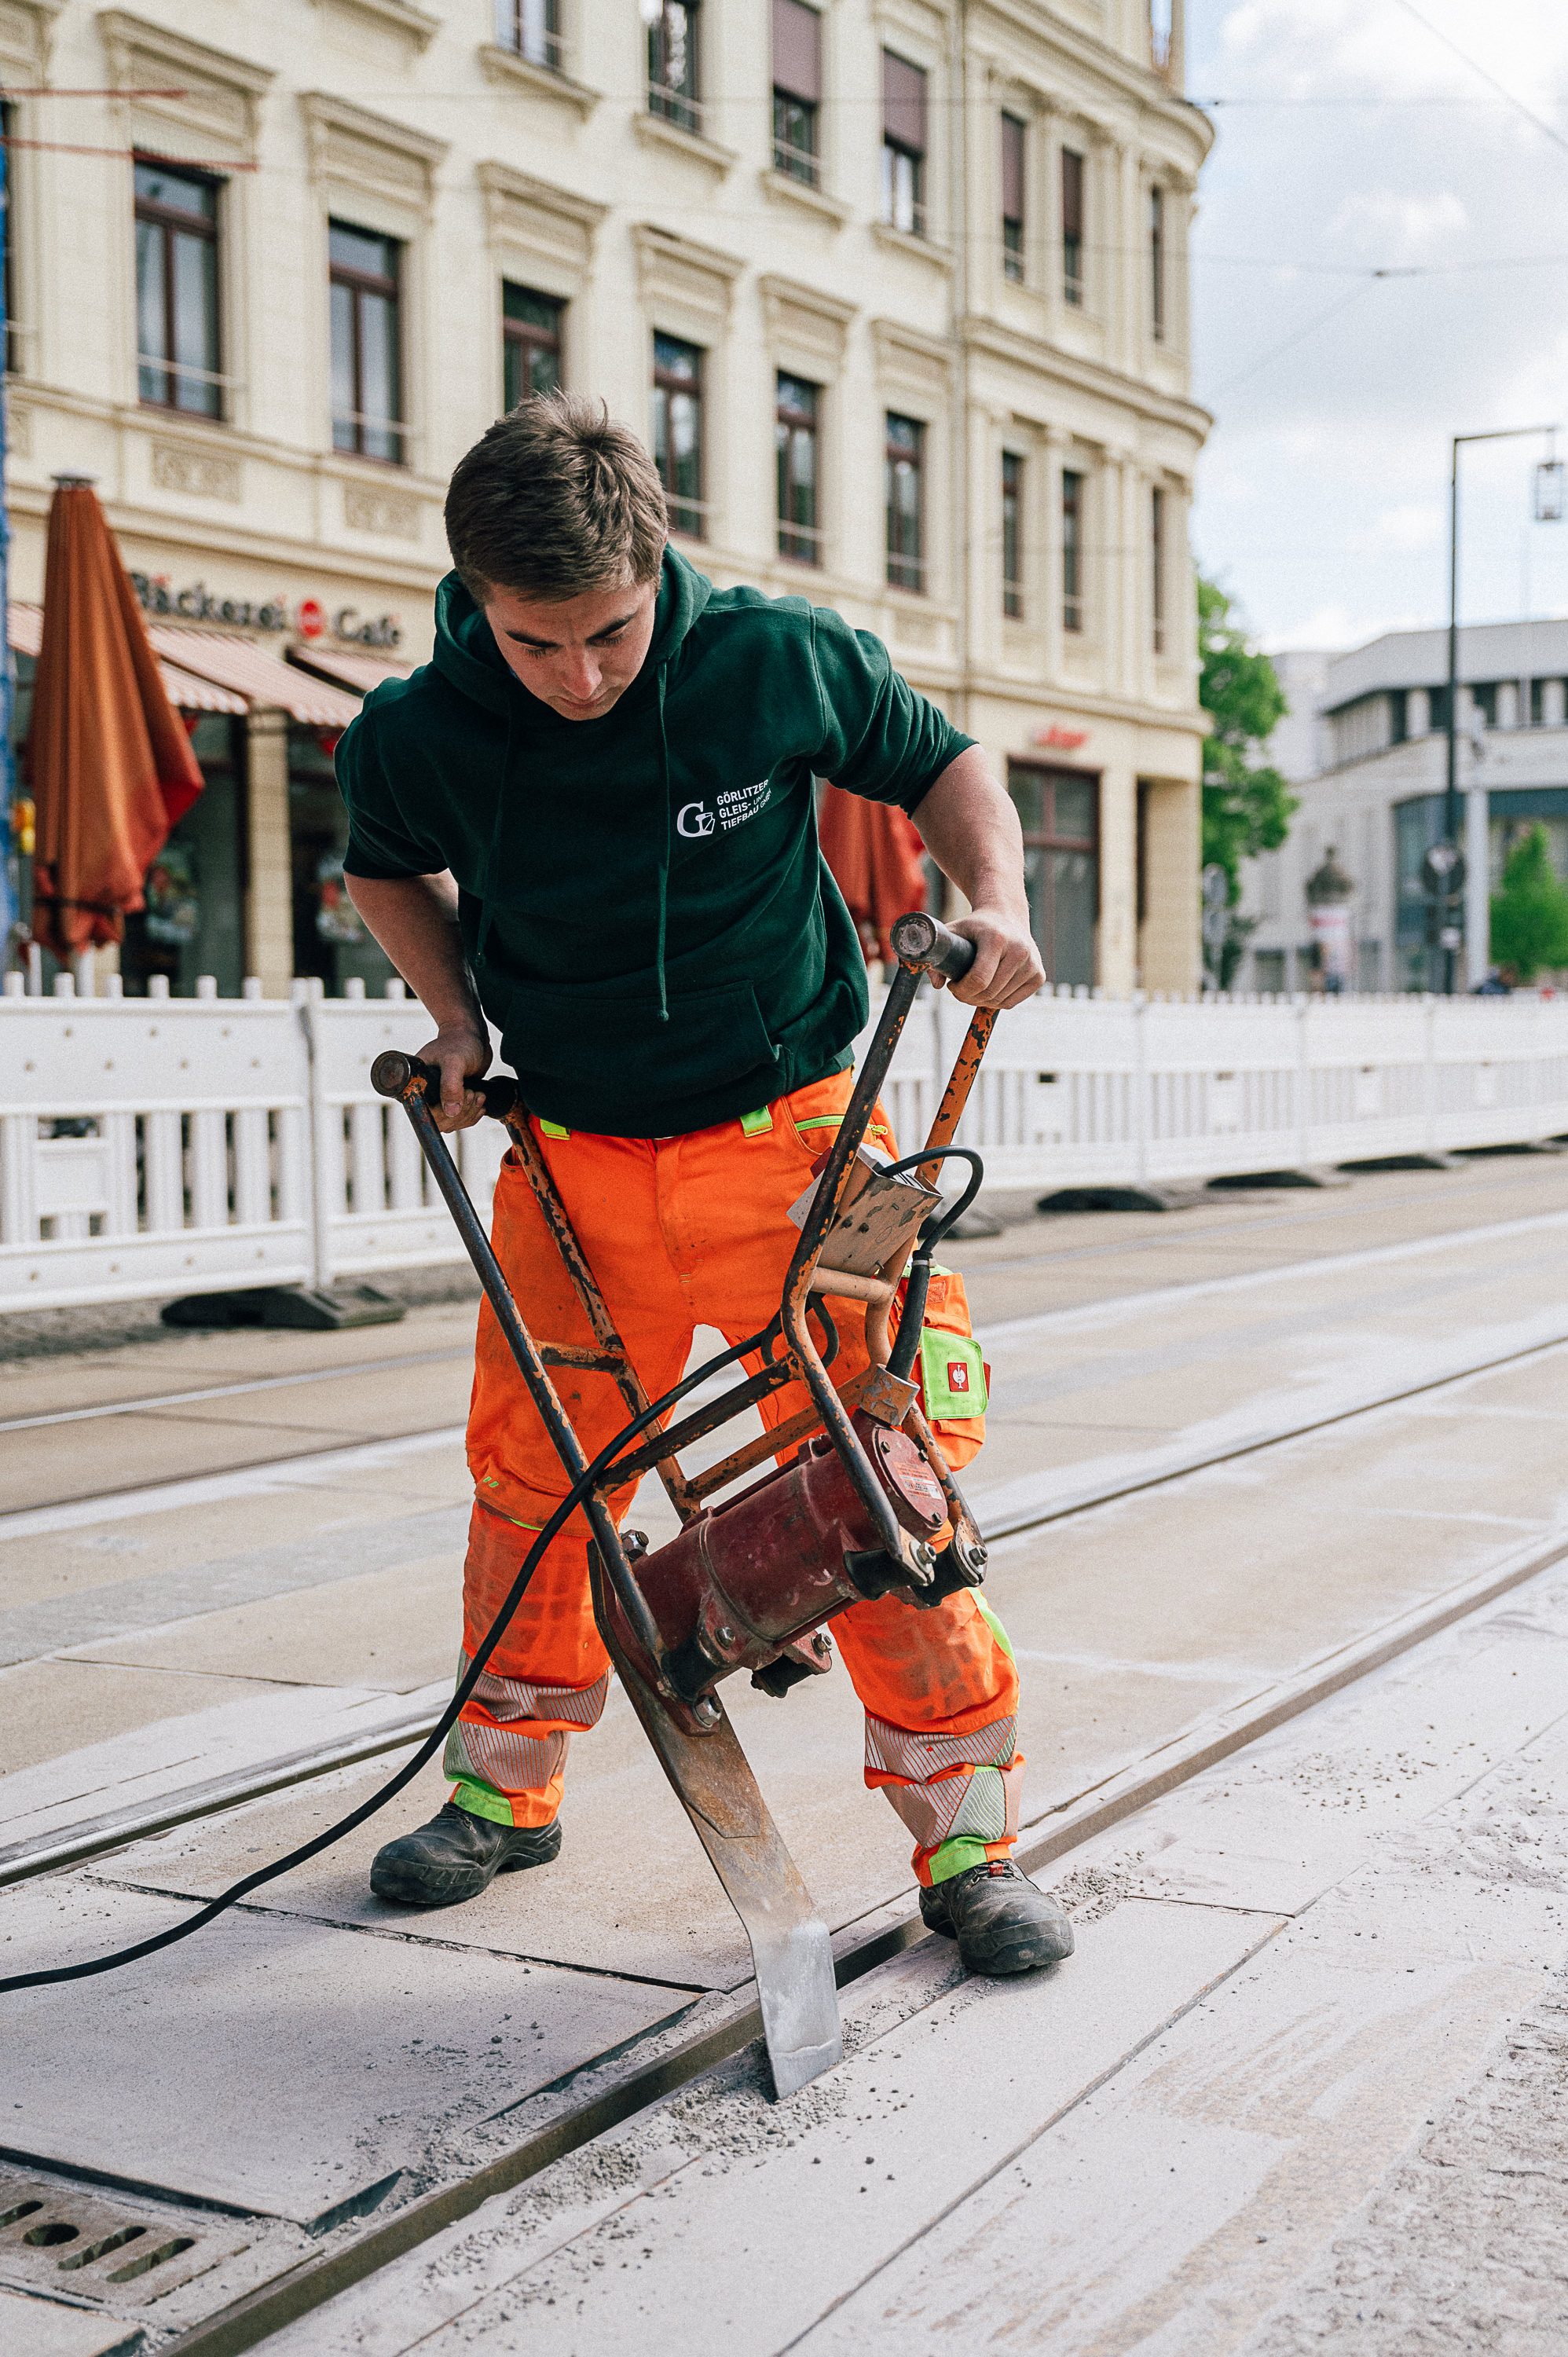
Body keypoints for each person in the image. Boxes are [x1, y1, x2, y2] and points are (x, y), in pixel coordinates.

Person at [337, 391, 1072, 1978]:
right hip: (572, 1161)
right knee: (536, 1488)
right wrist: (455, 1019)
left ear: (654, 571)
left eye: (609, 633)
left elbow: (943, 762)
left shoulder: (768, 659)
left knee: (872, 1476)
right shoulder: (418, 728)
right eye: (537, 644)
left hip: (790, 1146)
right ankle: (501, 1792)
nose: (581, 674)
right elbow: (381, 862)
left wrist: (992, 898)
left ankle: (967, 1840)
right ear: (475, 601)